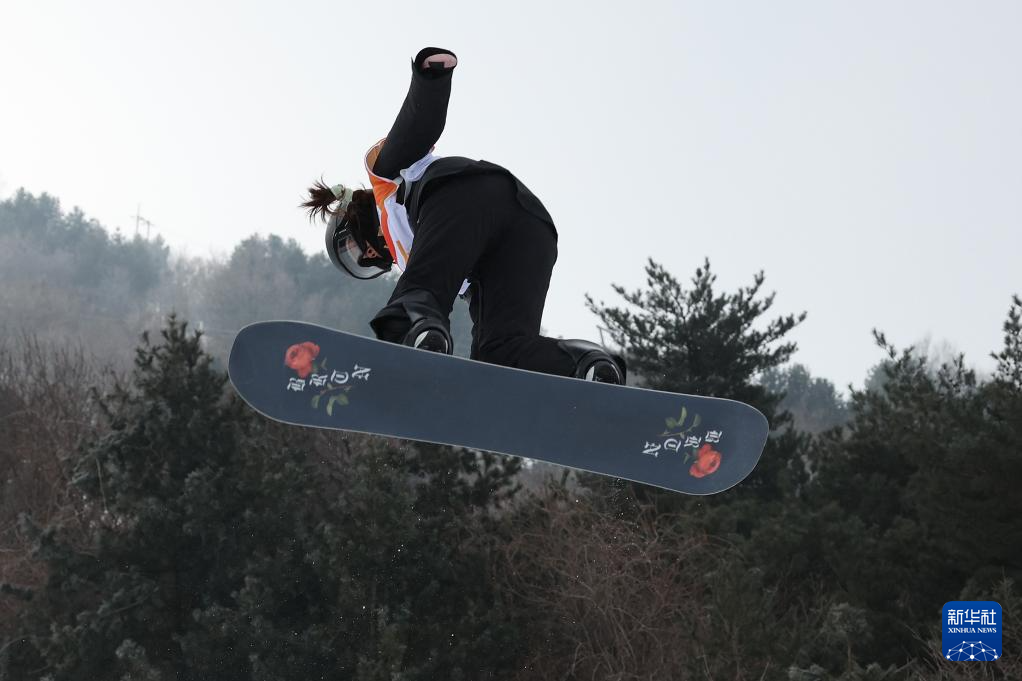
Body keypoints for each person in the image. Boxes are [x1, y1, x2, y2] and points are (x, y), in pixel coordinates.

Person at [303, 47, 625, 384]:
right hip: (530, 230)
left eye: (354, 249)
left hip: (462, 197)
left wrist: (431, 80)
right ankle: (585, 367)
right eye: (361, 264)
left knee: (416, 297)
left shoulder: (386, 183)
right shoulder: (419, 257)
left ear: (353, 220)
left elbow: (415, 129)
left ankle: (418, 334)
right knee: (499, 354)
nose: (368, 256)